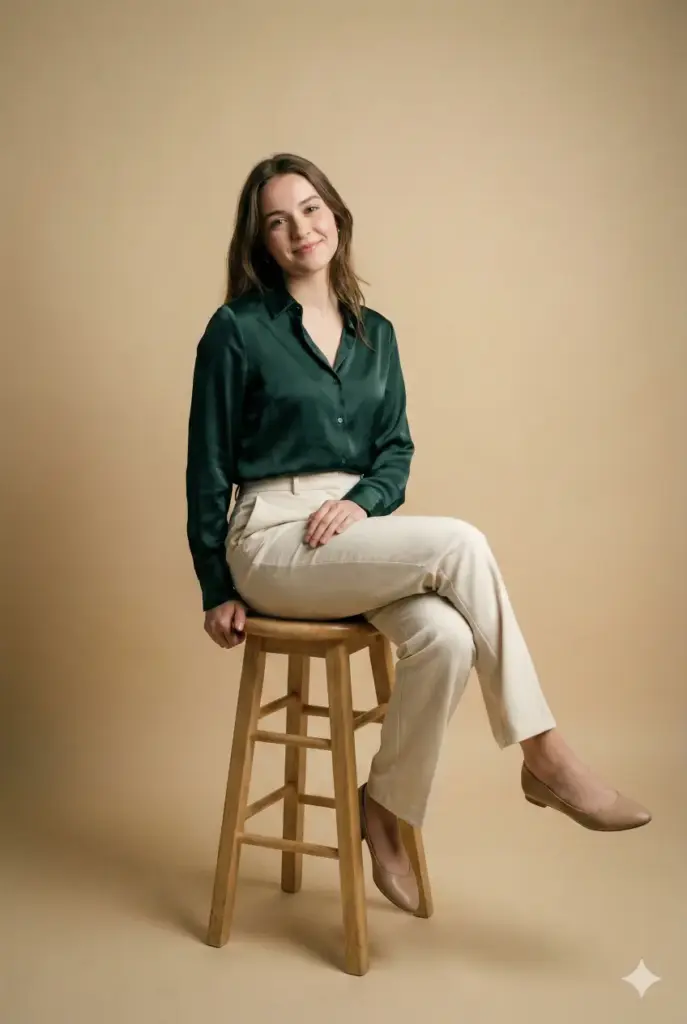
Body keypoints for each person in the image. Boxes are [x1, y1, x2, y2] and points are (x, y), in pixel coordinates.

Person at [186, 153, 651, 914]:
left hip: (349, 534)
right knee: (461, 541)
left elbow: (394, 449)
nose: (299, 228)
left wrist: (364, 502)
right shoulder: (237, 329)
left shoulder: (378, 335)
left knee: (448, 640)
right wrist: (214, 584)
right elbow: (205, 460)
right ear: (262, 242)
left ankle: (385, 807)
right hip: (270, 538)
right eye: (277, 220)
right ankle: (546, 756)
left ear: (334, 213)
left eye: (309, 208)